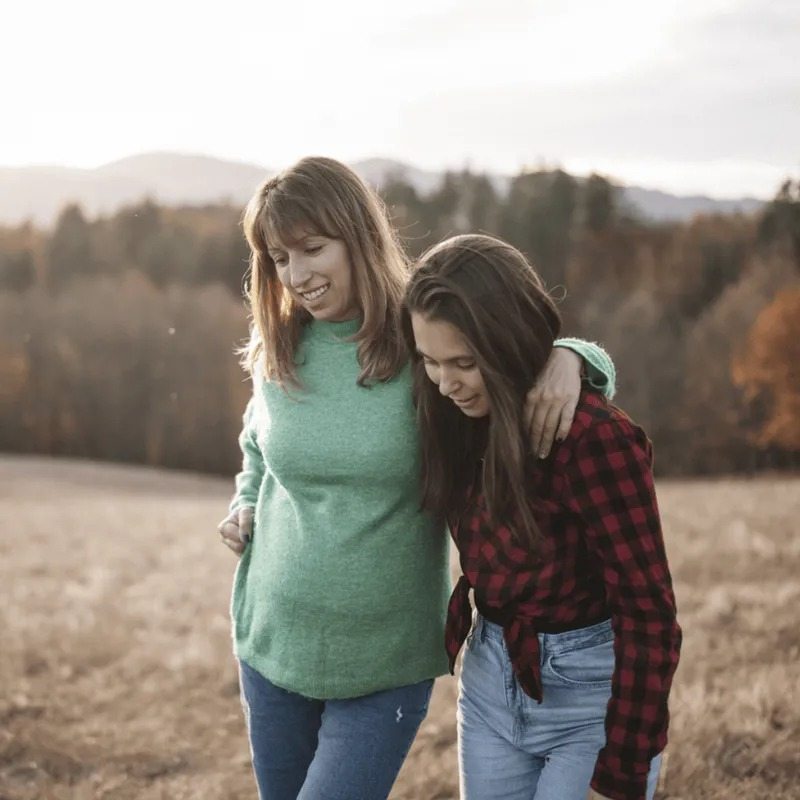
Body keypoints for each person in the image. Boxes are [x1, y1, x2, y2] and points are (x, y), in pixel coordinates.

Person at [216, 157, 617, 800]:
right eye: (278, 259)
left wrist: (574, 357)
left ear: (358, 236)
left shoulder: (420, 339)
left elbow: (513, 362)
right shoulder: (280, 344)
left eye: (312, 250)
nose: (296, 276)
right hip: (271, 643)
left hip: (386, 661)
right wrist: (245, 502)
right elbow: (256, 443)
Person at [403, 234, 681, 800]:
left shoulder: (592, 439)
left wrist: (623, 765)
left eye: (463, 362)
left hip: (589, 698)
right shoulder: (450, 414)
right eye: (429, 361)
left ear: (508, 343)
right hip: (488, 680)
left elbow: (648, 611)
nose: (444, 381)